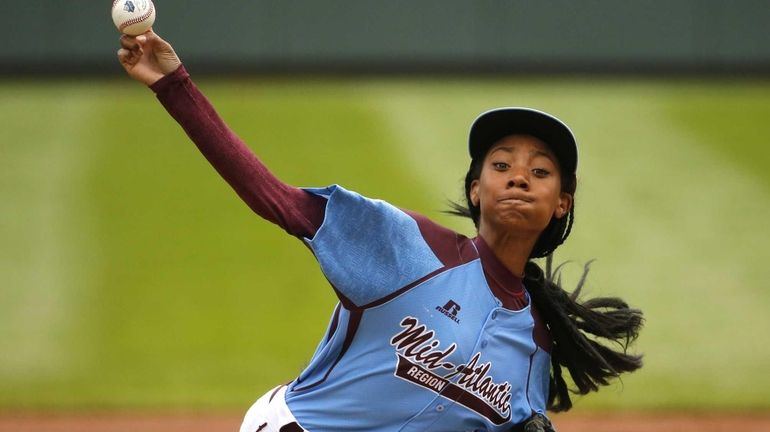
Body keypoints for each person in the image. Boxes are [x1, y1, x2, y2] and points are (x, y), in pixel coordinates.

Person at [117, 30, 643, 432]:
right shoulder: (410, 249)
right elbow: (274, 198)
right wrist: (173, 85)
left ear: (561, 204)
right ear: (476, 189)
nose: (520, 178)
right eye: (501, 165)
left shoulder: (534, 342)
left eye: (541, 172)